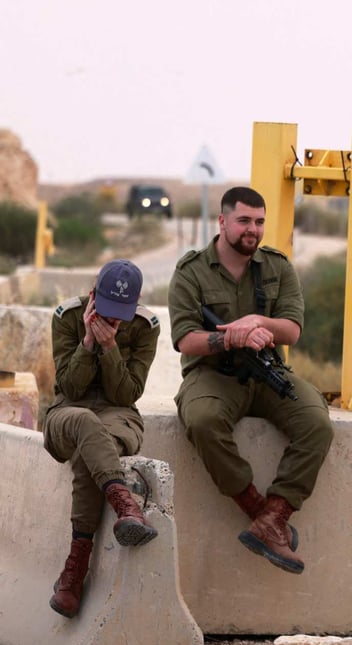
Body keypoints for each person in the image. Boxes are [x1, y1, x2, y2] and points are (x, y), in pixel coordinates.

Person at [167, 186, 333, 575]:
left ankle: (278, 511)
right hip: (213, 374)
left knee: (316, 423)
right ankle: (259, 512)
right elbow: (184, 339)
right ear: (222, 221)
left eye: (259, 222)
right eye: (244, 221)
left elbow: (291, 330)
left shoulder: (277, 266)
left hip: (268, 371)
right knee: (204, 421)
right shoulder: (191, 271)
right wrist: (228, 337)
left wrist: (258, 323)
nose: (252, 230)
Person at [44, 258, 161, 618]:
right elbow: (70, 387)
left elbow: (127, 395)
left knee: (94, 446)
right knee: (84, 423)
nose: (112, 321)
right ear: (93, 295)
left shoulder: (145, 327)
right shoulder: (66, 316)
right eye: (106, 311)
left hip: (119, 415)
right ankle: (126, 505)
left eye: (119, 315)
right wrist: (88, 342)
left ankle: (74, 569)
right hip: (67, 412)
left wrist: (111, 350)